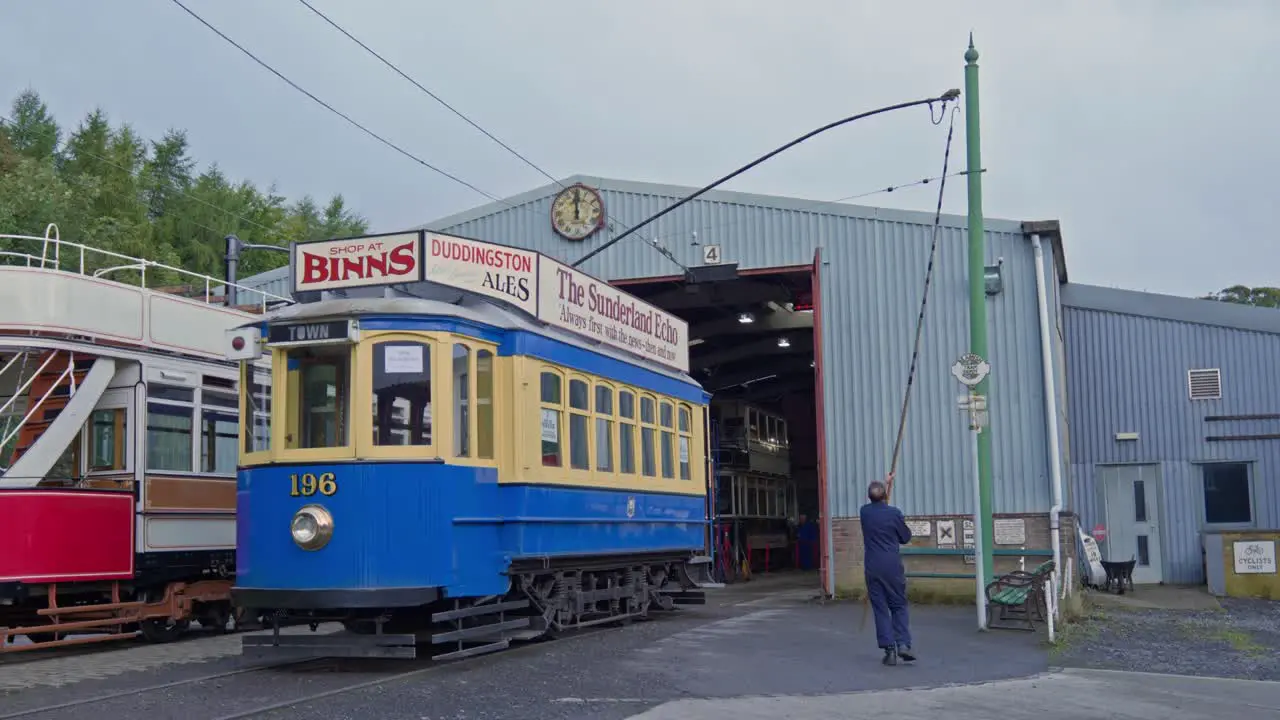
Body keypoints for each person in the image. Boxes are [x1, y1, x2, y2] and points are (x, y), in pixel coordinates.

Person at [859, 474, 915, 666]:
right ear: (884, 496)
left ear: (869, 497)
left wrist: (886, 484)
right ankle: (904, 644)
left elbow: (877, 506)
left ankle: (889, 650)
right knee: (898, 606)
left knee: (881, 608)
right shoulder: (894, 513)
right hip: (892, 566)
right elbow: (905, 537)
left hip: (873, 567)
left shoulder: (864, 513)